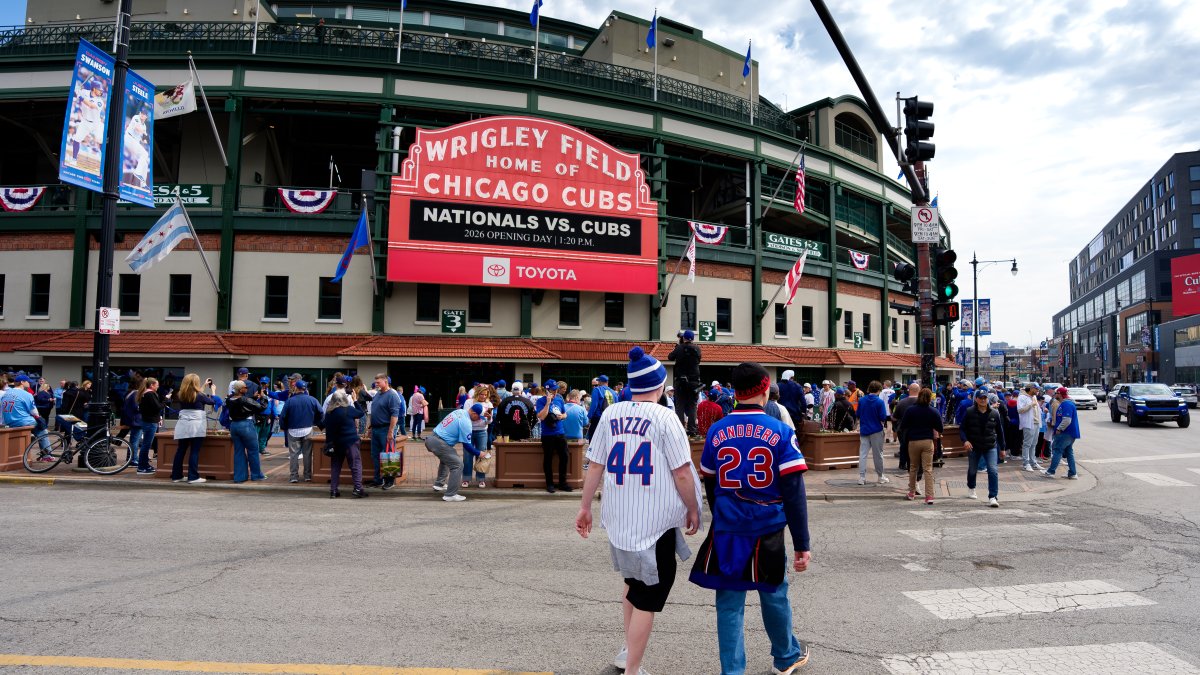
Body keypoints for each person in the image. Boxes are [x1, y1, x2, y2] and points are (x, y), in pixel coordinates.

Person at [576, 346, 702, 675]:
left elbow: (595, 465)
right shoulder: (665, 417)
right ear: (659, 386)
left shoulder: (610, 413)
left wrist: (585, 507)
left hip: (620, 519)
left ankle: (627, 653)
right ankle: (632, 668)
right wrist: (693, 508)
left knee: (634, 585)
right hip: (654, 522)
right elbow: (682, 472)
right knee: (649, 595)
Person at [690, 362, 812, 675]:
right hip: (767, 527)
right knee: (774, 594)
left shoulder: (718, 430)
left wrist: (723, 515)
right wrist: (802, 543)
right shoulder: (781, 431)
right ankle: (785, 657)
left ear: (733, 390)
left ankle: (732, 671)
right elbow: (794, 492)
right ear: (765, 387)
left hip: (729, 528)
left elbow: (710, 481)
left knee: (729, 603)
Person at [426, 403, 481, 502]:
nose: (478, 419)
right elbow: (467, 445)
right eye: (478, 416)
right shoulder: (466, 422)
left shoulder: (459, 411)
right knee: (458, 465)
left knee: (448, 459)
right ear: (473, 413)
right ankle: (450, 495)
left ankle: (439, 484)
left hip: (432, 438)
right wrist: (479, 453)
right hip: (439, 442)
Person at [171, 374, 220, 485]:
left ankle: (176, 475)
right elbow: (211, 402)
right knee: (194, 450)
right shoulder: (200, 395)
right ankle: (193, 476)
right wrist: (213, 391)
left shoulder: (180, 394)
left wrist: (203, 385)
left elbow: (194, 395)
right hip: (196, 425)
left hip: (183, 424)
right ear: (195, 383)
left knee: (181, 450)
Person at [960, 390, 1003, 507]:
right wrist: (965, 440)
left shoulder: (994, 413)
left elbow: (1000, 431)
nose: (983, 400)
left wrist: (1003, 448)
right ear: (976, 399)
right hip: (974, 446)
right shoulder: (969, 412)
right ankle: (971, 486)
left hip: (990, 446)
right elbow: (962, 429)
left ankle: (993, 496)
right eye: (981, 398)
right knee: (973, 470)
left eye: (985, 398)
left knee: (993, 470)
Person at [900, 388, 943, 504]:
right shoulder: (933, 411)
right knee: (928, 469)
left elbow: (903, 425)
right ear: (930, 398)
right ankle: (929, 496)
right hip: (927, 441)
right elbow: (940, 428)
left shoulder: (910, 410)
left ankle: (912, 492)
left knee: (913, 467)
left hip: (913, 441)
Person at [325, 390, 368, 498]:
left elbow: (327, 429)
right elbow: (361, 413)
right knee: (355, 465)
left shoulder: (329, 413)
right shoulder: (348, 409)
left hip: (336, 444)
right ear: (344, 399)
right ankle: (358, 488)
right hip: (350, 442)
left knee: (335, 467)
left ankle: (333, 491)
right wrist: (355, 400)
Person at [278, 380, 323, 484]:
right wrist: (319, 423)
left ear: (296, 388)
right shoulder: (312, 399)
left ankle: (294, 476)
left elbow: (283, 416)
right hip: (307, 429)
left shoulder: (290, 400)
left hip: (293, 429)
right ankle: (307, 476)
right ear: (305, 389)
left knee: (294, 454)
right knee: (307, 454)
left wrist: (284, 427)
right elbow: (321, 412)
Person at [225, 381, 267, 483]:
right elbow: (261, 407)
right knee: (253, 451)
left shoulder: (229, 399)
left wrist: (252, 398)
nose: (247, 389)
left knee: (238, 452)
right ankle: (256, 475)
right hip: (246, 424)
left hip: (234, 425)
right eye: (245, 387)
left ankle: (239, 477)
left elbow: (241, 402)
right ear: (241, 389)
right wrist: (263, 397)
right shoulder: (244, 399)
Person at [1, 375, 52, 457]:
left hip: (8, 421)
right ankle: (47, 455)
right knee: (42, 427)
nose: (29, 383)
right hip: (22, 421)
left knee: (36, 424)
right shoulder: (27, 394)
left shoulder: (6, 393)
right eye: (27, 381)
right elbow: (35, 413)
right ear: (22, 382)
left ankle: (31, 438)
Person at [536, 378, 570, 493]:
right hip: (547, 434)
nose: (554, 393)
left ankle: (562, 483)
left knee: (564, 457)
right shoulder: (541, 401)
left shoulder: (560, 400)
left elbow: (565, 413)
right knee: (548, 459)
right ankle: (549, 484)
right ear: (546, 391)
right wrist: (548, 403)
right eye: (552, 391)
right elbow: (541, 416)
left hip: (560, 433)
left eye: (555, 390)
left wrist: (562, 416)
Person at [369, 373, 402, 489]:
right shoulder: (378, 394)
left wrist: (390, 432)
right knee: (375, 455)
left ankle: (389, 481)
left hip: (386, 429)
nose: (376, 384)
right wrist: (371, 427)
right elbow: (374, 411)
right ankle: (378, 480)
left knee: (387, 455)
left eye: (378, 382)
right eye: (376, 382)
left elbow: (395, 415)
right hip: (376, 429)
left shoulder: (392, 395)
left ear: (385, 382)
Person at [668, 329, 703, 436]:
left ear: (683, 338)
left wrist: (678, 346)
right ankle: (692, 430)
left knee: (680, 405)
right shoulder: (697, 348)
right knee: (692, 406)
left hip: (681, 381)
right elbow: (698, 359)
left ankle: (680, 429)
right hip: (694, 382)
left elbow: (670, 357)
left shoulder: (679, 348)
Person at [856, 381, 891, 486]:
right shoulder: (879, 402)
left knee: (863, 454)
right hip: (876, 430)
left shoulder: (862, 400)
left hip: (864, 429)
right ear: (879, 390)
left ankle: (862, 477)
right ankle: (880, 476)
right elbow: (883, 417)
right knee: (878, 455)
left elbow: (857, 414)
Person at [1042, 387, 1080, 479]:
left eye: (1056, 394)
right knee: (1068, 451)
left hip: (1065, 433)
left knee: (1057, 450)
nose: (1055, 395)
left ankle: (1050, 472)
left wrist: (1059, 429)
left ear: (1060, 394)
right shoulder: (1066, 403)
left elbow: (1067, 420)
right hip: (1069, 433)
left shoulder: (1066, 404)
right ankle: (1072, 473)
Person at [463, 385, 494, 489]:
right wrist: (480, 416)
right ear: (477, 393)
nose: (483, 396)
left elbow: (490, 421)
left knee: (482, 454)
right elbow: (466, 416)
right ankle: (466, 478)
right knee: (467, 456)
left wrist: (489, 418)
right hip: (469, 430)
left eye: (485, 395)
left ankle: (481, 479)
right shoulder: (469, 402)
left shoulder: (488, 404)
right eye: (482, 394)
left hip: (482, 431)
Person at [135, 377, 163, 475]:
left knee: (146, 444)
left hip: (147, 421)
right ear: (152, 385)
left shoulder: (145, 394)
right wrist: (166, 401)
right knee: (146, 445)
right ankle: (142, 467)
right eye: (157, 384)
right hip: (150, 422)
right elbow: (157, 407)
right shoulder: (150, 394)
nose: (158, 386)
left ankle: (144, 465)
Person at [893, 382, 921, 473]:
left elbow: (894, 417)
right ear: (918, 390)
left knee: (903, 446)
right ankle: (915, 464)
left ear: (909, 391)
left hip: (903, 429)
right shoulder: (922, 402)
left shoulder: (901, 402)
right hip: (917, 429)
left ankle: (902, 463)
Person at [1016, 383, 1044, 472]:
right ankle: (1026, 463)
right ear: (1031, 388)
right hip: (1028, 423)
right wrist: (1031, 405)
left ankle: (1033, 462)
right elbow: (1020, 410)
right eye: (1036, 389)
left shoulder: (1034, 397)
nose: (1037, 391)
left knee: (1034, 443)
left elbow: (1037, 410)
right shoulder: (1022, 397)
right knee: (1027, 444)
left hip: (1036, 422)